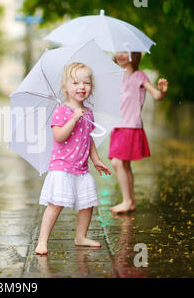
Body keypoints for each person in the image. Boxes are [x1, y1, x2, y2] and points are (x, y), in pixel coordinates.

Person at [35, 62, 111, 255]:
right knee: (56, 203)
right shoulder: (62, 111)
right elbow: (59, 136)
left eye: (86, 83)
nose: (82, 87)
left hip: (81, 168)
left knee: (87, 203)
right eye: (76, 82)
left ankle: (81, 236)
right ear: (65, 88)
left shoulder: (89, 113)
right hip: (62, 167)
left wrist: (96, 160)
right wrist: (74, 119)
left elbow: (89, 139)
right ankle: (42, 240)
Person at [109, 51, 169, 214]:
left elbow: (156, 95)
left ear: (134, 56)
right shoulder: (117, 78)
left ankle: (127, 201)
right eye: (118, 51)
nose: (120, 55)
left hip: (131, 126)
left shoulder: (139, 76)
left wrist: (161, 91)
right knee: (125, 164)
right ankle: (131, 201)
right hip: (118, 127)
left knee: (117, 163)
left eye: (125, 52)